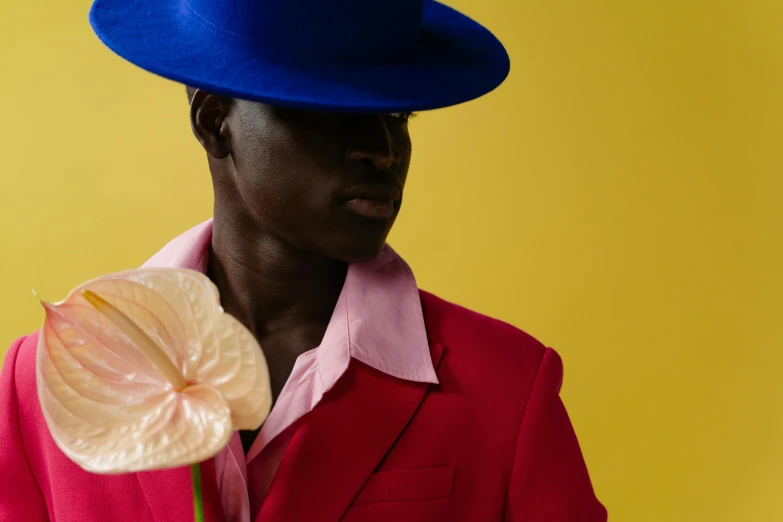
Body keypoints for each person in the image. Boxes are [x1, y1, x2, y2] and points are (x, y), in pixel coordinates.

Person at [0, 0, 607, 520]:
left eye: (397, 115)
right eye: (327, 108)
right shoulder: (40, 381)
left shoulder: (506, 388)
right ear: (215, 122)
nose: (382, 151)